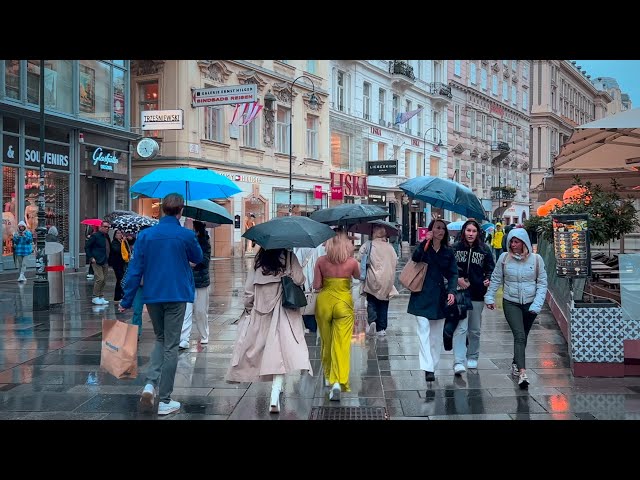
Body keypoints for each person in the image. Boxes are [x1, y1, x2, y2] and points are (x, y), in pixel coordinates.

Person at [118, 193, 203, 415]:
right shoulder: (185, 235)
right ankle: (164, 399)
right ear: (180, 210)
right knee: (171, 345)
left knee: (160, 338)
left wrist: (126, 300)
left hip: (153, 295)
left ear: (162, 209)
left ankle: (149, 384)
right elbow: (199, 257)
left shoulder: (146, 236)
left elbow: (135, 269)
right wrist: (189, 233)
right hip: (176, 294)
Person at [226, 247, 312, 414]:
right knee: (279, 352)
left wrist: (249, 307)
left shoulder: (260, 259)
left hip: (261, 309)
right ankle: (275, 393)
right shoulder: (288, 256)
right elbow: (300, 279)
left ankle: (276, 390)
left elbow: (249, 289)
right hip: (283, 311)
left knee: (264, 351)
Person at [484, 228, 548, 389]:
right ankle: (522, 373)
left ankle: (515, 362)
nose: (513, 245)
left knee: (523, 336)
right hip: (511, 302)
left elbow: (542, 283)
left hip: (530, 303)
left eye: (516, 242)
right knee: (519, 335)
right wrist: (490, 296)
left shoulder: (536, 259)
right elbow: (497, 278)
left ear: (524, 242)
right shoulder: (504, 258)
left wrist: (537, 304)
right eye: (511, 242)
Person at [407, 219, 458, 383]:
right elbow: (415, 258)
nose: (441, 231)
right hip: (420, 294)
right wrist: (425, 241)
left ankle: (433, 366)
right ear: (431, 230)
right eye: (437, 228)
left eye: (443, 228)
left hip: (439, 296)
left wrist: (451, 291)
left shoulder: (448, 252)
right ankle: (428, 367)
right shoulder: (425, 246)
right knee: (423, 330)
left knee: (436, 336)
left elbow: (453, 274)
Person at [313, 231, 360, 401]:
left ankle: (328, 375)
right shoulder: (352, 262)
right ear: (346, 245)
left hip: (324, 303)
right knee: (341, 344)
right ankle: (338, 382)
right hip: (344, 305)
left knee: (326, 342)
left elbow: (316, 285)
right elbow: (358, 277)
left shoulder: (321, 261)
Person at [451, 219, 495, 374]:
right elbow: (448, 268)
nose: (471, 234)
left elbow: (491, 268)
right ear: (464, 231)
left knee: (474, 329)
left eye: (474, 231)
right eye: (468, 230)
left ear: (478, 233)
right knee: (460, 328)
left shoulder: (484, 249)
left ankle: (473, 356)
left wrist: (488, 278)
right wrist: (457, 279)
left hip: (477, 293)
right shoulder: (455, 248)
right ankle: (458, 361)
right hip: (460, 293)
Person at [358, 225, 398, 336]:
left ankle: (372, 321)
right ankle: (381, 329)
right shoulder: (390, 247)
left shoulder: (368, 244)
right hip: (387, 279)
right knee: (384, 303)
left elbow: (360, 257)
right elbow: (396, 261)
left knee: (372, 301)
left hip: (373, 277)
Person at [179, 220, 211, 349]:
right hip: (187, 281)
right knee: (186, 311)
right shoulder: (185, 241)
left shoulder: (205, 243)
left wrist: (194, 262)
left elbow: (205, 261)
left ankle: (204, 334)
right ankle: (184, 339)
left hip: (201, 281)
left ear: (197, 231)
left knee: (200, 311)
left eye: (191, 229)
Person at [294, 243, 326, 334]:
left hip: (308, 286)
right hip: (325, 286)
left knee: (309, 311)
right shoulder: (326, 245)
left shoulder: (302, 246)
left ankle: (313, 332)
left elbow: (298, 265)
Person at [85, 220, 111, 305]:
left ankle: (101, 296)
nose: (107, 228)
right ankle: (95, 296)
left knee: (104, 279)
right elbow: (87, 247)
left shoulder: (106, 236)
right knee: (100, 278)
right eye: (105, 227)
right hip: (96, 260)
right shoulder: (95, 236)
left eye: (108, 227)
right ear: (101, 227)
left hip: (105, 260)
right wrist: (91, 257)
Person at [108, 229, 127, 303]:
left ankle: (120, 295)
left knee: (121, 279)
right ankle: (117, 296)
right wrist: (123, 242)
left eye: (121, 233)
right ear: (115, 235)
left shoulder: (122, 242)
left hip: (121, 263)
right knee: (120, 279)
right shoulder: (114, 243)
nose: (120, 234)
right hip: (117, 263)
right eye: (118, 233)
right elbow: (118, 250)